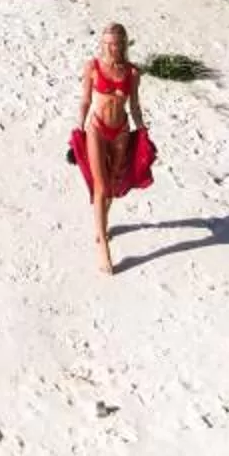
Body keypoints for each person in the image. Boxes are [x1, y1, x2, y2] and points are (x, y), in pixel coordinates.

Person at [69, 21, 154, 273]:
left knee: (114, 184)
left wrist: (142, 130)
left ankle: (102, 223)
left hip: (121, 131)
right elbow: (85, 100)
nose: (109, 48)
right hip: (97, 128)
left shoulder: (133, 73)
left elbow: (134, 105)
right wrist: (78, 127)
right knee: (101, 186)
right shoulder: (93, 67)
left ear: (123, 45)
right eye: (106, 44)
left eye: (115, 44)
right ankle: (103, 247)